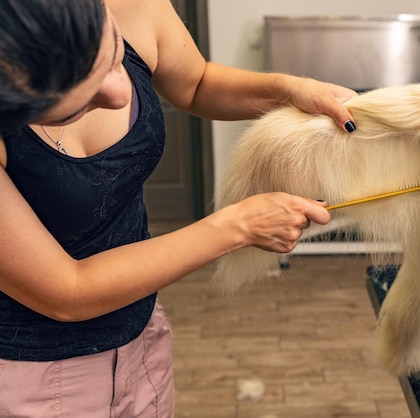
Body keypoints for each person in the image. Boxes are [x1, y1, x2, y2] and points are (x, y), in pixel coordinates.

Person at [0, 0, 358, 416]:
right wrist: (236, 226)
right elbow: (69, 291)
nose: (119, 95)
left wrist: (286, 89)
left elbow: (197, 82)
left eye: (115, 58)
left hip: (141, 334)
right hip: (30, 376)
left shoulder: (135, 6)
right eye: (81, 103)